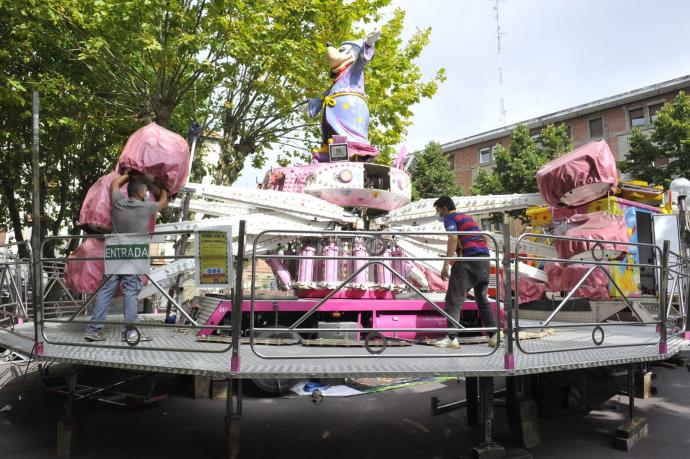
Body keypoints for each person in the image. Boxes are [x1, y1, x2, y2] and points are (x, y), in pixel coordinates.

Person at [84, 171, 168, 342]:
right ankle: (130, 332)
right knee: (130, 292)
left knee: (106, 291)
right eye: (145, 191)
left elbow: (114, 184)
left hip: (115, 252)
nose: (146, 193)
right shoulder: (146, 207)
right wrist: (160, 185)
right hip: (135, 254)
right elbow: (164, 201)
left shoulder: (118, 203)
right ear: (139, 193)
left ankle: (94, 330)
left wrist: (128, 174)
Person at [433, 196, 496, 349]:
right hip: (484, 259)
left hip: (469, 259)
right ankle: (494, 335)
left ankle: (452, 338)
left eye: (438, 211)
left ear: (444, 209)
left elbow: (453, 238)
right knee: (482, 298)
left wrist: (446, 264)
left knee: (453, 299)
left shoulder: (450, 217)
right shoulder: (467, 218)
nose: (438, 214)